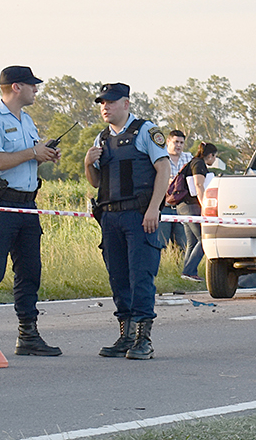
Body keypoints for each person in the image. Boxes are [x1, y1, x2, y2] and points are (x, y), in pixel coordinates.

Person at [0, 66, 62, 356]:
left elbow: (26, 160)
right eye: (31, 85)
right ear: (15, 87)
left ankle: (28, 335)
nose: (36, 89)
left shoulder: (27, 121)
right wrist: (32, 152)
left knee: (29, 270)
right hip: (0, 204)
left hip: (27, 204)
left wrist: (44, 154)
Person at [84, 83, 169, 360]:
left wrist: (154, 209)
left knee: (140, 277)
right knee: (118, 277)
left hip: (139, 215)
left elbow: (164, 169)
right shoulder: (102, 139)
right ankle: (126, 335)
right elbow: (97, 181)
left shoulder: (146, 131)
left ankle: (144, 339)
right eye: (101, 103)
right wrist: (88, 164)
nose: (105, 107)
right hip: (110, 216)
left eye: (110, 102)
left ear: (126, 104)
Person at [177, 142, 218, 282]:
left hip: (183, 206)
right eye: (215, 157)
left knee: (193, 241)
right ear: (210, 155)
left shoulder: (193, 162)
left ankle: (186, 274)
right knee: (203, 239)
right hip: (191, 206)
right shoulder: (198, 164)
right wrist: (204, 206)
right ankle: (189, 271)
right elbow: (199, 185)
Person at [158, 130, 191, 251]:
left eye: (181, 142)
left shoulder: (188, 158)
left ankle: (181, 269)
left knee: (182, 244)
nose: (179, 145)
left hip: (182, 208)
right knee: (162, 243)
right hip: (164, 207)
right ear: (168, 142)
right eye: (176, 142)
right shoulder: (160, 158)